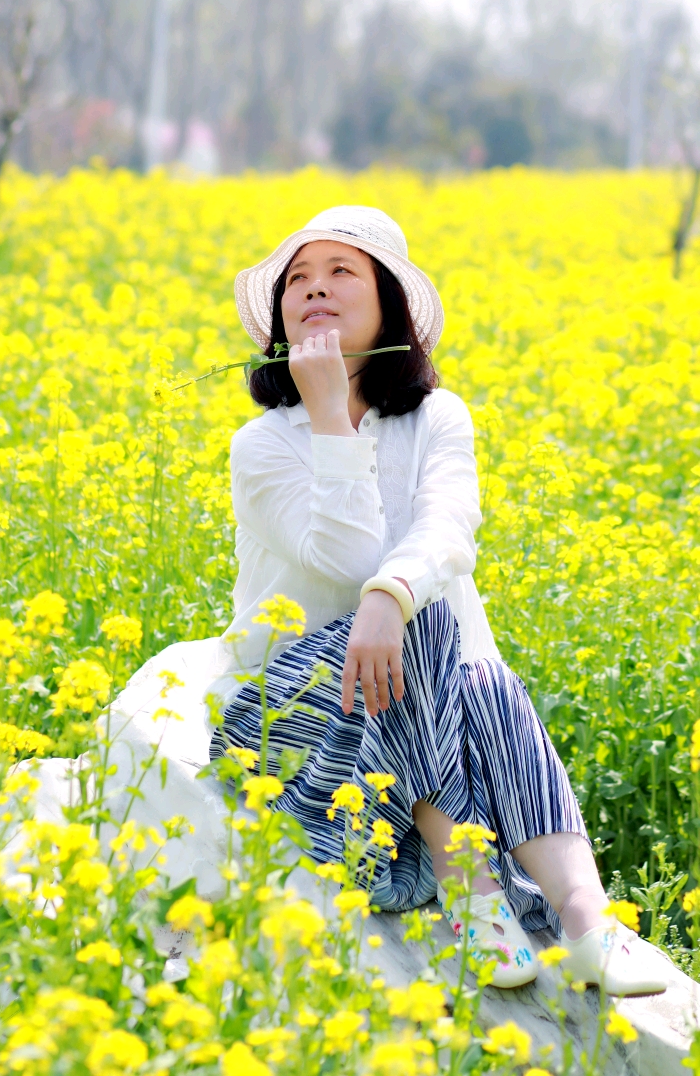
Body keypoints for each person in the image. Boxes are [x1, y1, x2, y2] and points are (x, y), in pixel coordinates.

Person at [208, 205, 666, 994]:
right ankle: (472, 892)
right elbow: (351, 561)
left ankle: (589, 921)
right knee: (418, 613)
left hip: (425, 723)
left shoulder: (437, 418)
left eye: (341, 271)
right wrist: (328, 414)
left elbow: (449, 526)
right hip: (294, 723)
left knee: (475, 666)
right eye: (297, 279)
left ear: (389, 302)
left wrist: (391, 596)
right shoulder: (262, 445)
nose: (313, 288)